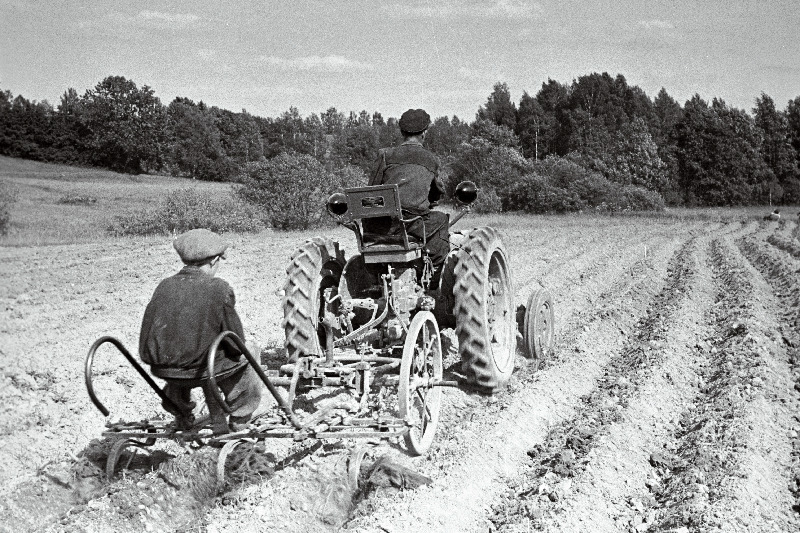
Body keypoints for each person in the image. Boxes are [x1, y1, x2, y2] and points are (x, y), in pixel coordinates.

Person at [139, 228, 262, 433]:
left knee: (186, 361)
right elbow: (235, 343)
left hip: (163, 368)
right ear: (214, 261)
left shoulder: (164, 285)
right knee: (251, 349)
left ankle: (181, 412)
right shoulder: (219, 288)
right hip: (204, 369)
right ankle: (240, 417)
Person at [368, 108, 450, 286]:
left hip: (379, 228)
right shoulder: (430, 159)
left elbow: (371, 191)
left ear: (402, 132)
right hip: (410, 226)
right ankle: (433, 276)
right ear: (424, 133)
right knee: (442, 219)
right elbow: (436, 193)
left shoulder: (385, 155)